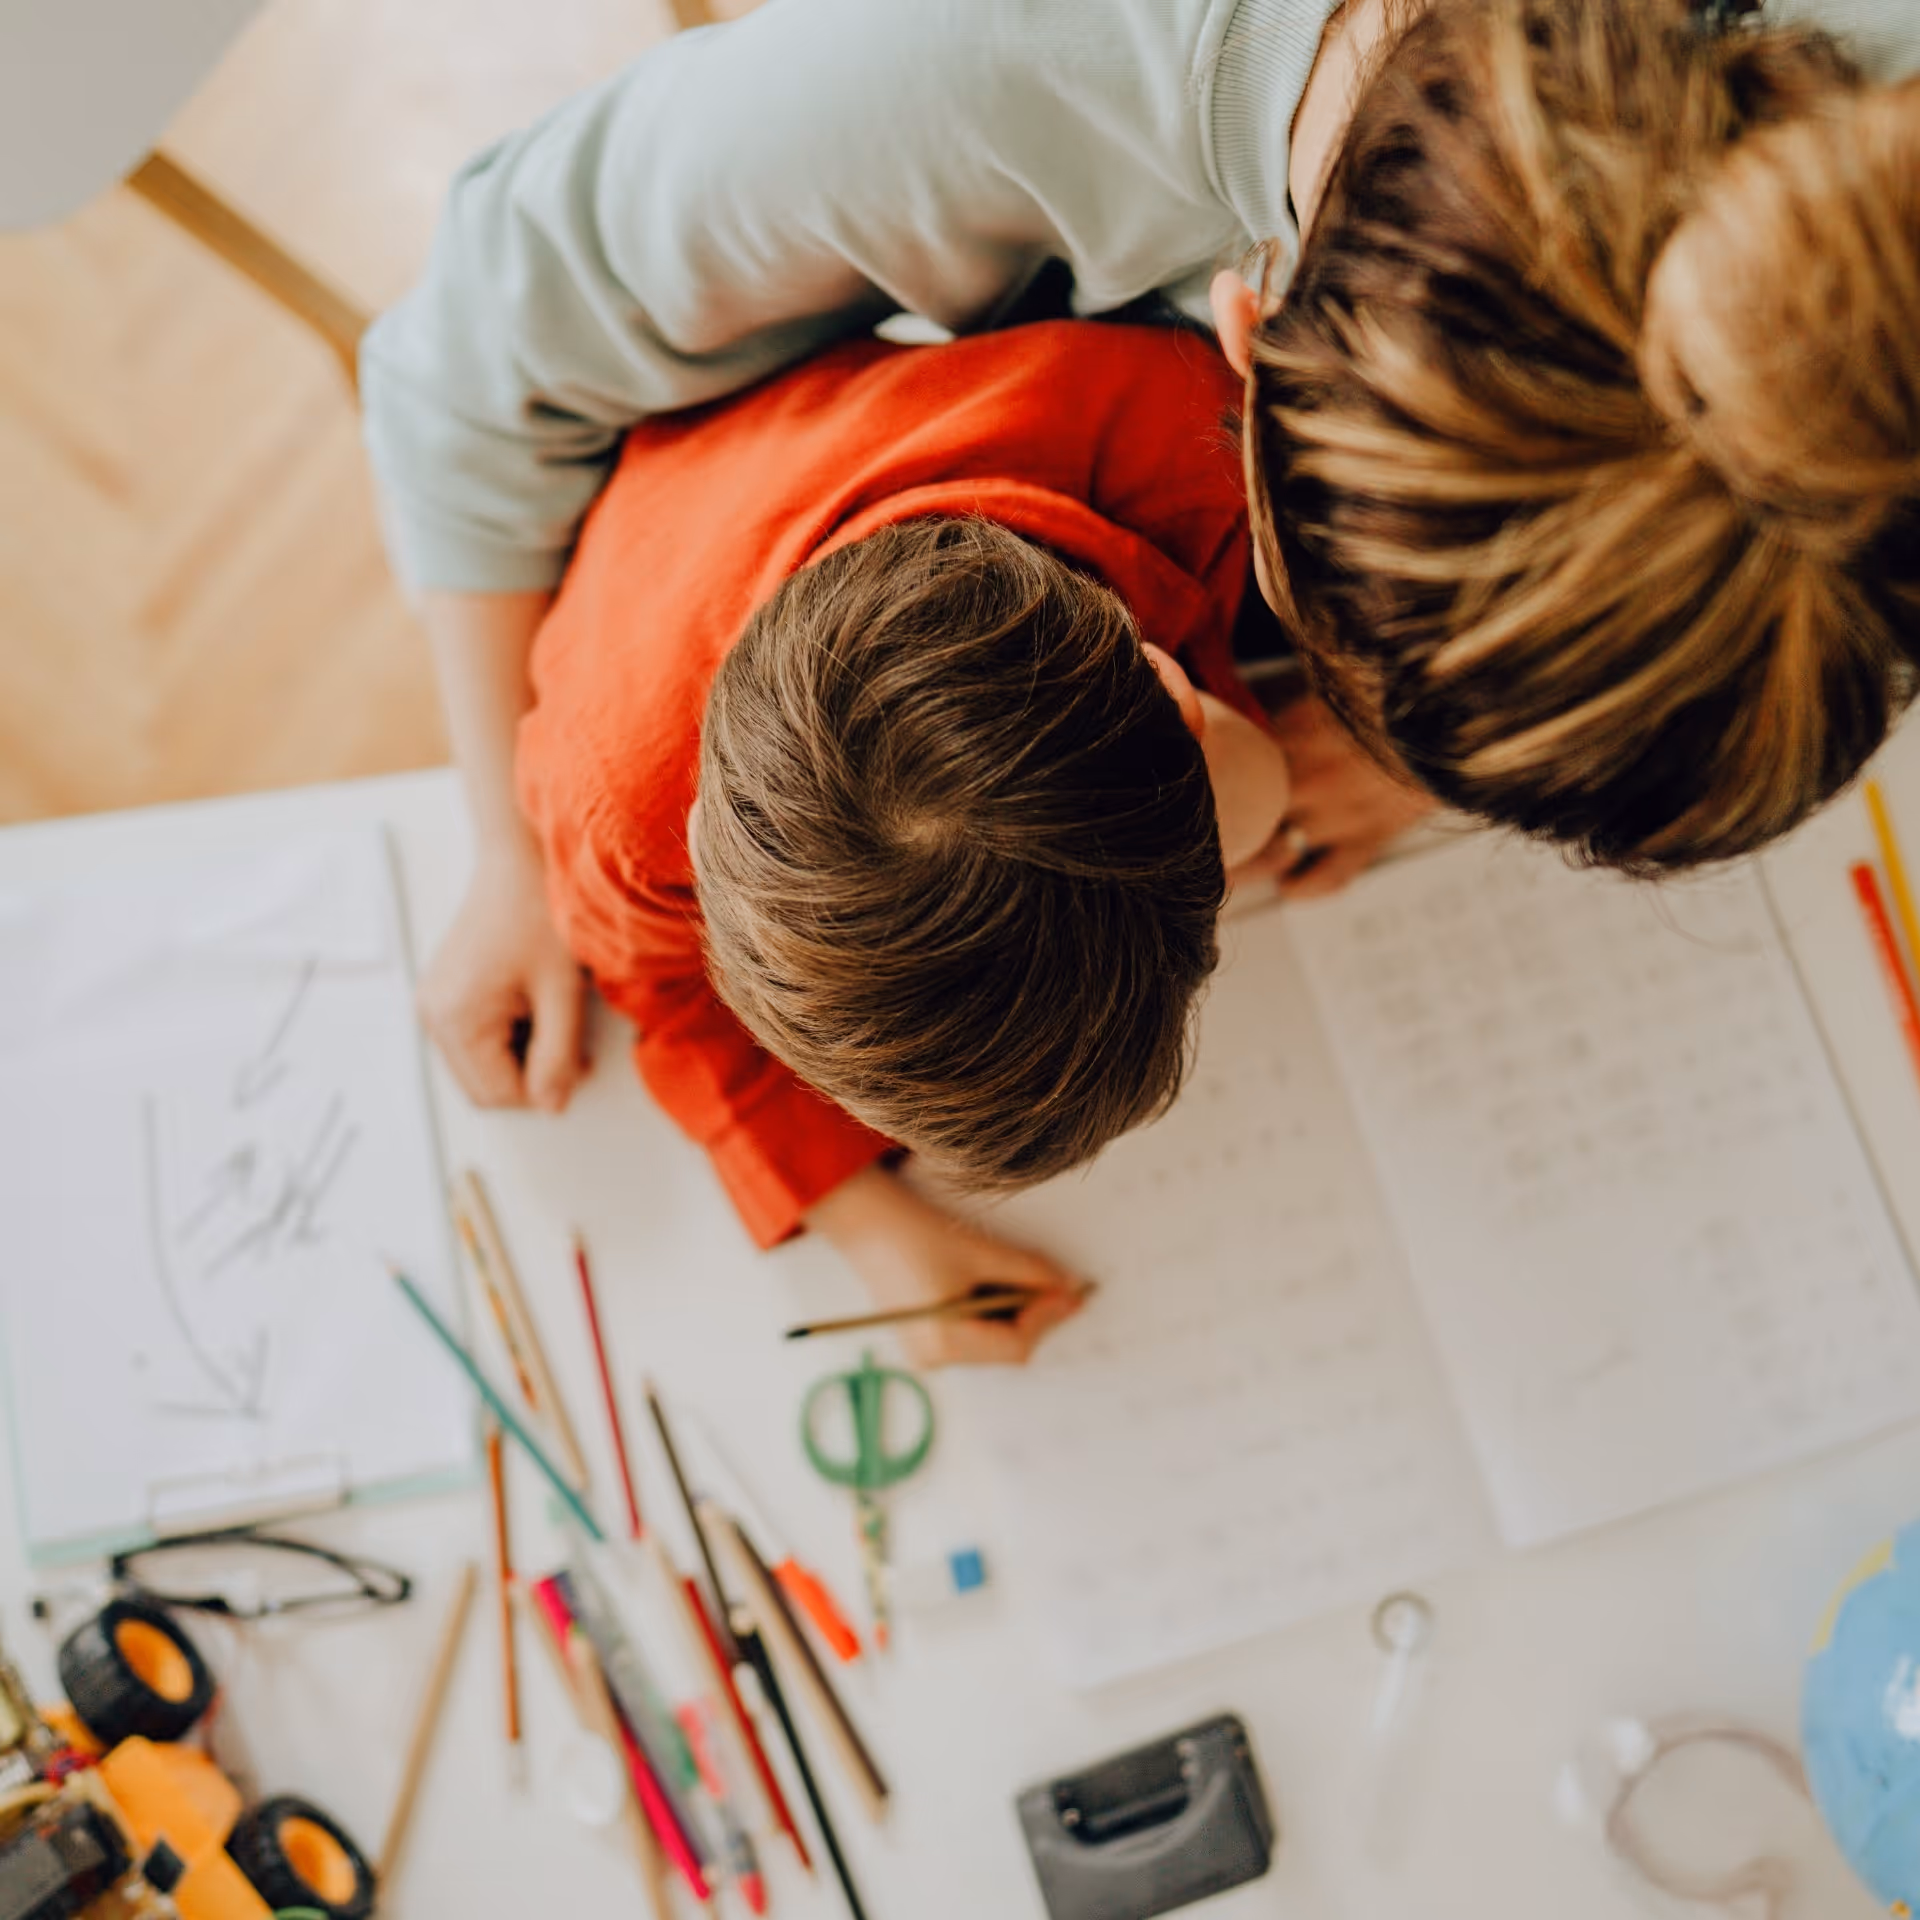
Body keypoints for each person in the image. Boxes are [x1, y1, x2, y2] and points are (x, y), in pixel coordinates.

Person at [364, 0, 1918, 1115]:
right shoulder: (958, 69)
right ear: (1242, 343)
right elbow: (460, 370)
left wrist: (1438, 750)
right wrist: (507, 850)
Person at [511, 318, 1293, 1364]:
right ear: (694, 845)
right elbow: (656, 986)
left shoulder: (1195, 433)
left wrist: (1249, 793)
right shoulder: (617, 801)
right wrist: (863, 1220)